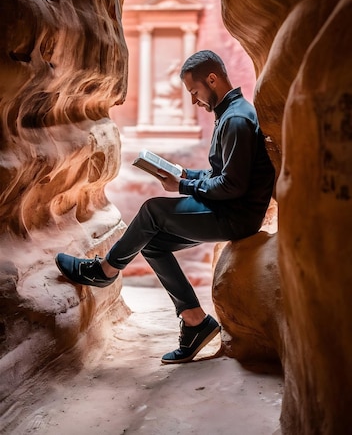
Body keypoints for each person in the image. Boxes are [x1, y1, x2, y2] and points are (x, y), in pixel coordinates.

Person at [56, 50, 275, 364]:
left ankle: (104, 270)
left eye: (195, 92)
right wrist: (184, 174)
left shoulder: (237, 118)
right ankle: (195, 321)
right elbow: (223, 174)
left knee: (152, 211)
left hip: (234, 217)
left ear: (212, 79)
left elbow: (232, 186)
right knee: (152, 244)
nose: (194, 101)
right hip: (229, 210)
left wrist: (182, 186)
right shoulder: (231, 113)